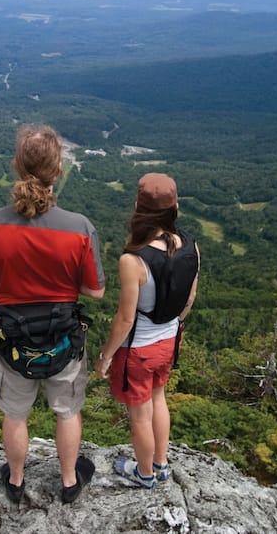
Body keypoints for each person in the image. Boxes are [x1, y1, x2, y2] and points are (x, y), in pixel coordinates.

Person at [0, 124, 105, 504]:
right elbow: (95, 290)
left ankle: (14, 480)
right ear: (57, 170)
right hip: (63, 338)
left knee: (15, 413)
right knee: (66, 411)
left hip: (12, 339)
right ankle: (68, 481)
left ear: (16, 166)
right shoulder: (79, 228)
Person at [95, 172, 199, 489]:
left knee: (140, 415)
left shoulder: (133, 259)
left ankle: (144, 474)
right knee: (159, 398)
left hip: (138, 350)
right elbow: (190, 298)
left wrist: (105, 356)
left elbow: (125, 319)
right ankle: (161, 464)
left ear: (138, 206)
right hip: (169, 341)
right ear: (175, 206)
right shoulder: (192, 247)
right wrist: (173, 324)